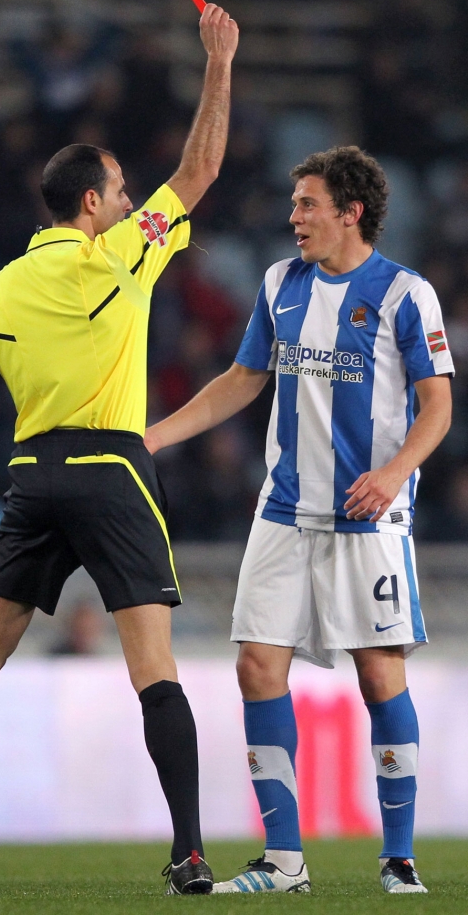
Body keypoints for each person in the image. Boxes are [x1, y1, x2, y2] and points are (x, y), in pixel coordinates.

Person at [0, 3, 239, 897]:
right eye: (125, 190)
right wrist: (218, 61)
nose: (137, 201)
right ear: (93, 204)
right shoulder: (118, 257)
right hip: (108, 467)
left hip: (31, 480)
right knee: (153, 668)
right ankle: (187, 850)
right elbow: (203, 166)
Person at [144, 146, 453, 894]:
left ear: (350, 211)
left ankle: (398, 856)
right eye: (294, 205)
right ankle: (283, 860)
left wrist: (391, 473)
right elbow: (242, 378)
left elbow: (437, 405)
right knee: (256, 665)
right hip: (283, 511)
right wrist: (151, 437)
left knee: (379, 677)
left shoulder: (405, 295)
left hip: (366, 519)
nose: (293, 219)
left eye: (307, 204)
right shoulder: (281, 283)